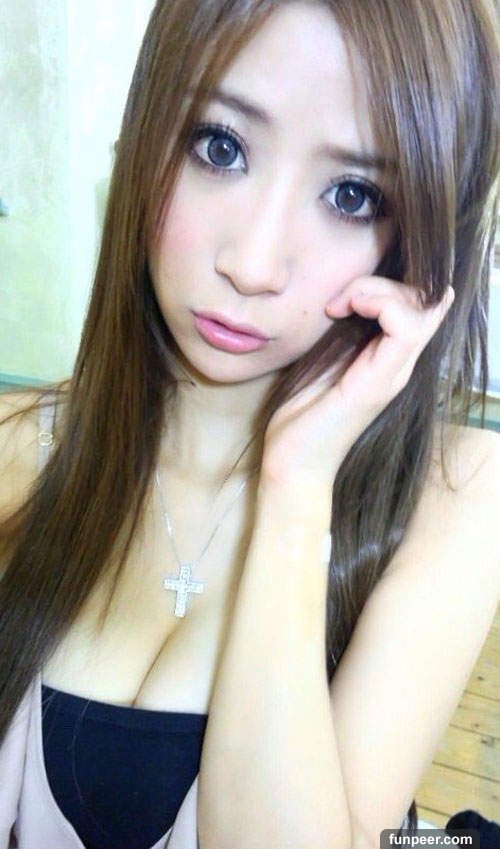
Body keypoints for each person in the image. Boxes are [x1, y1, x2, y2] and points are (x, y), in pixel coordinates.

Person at [0, 1, 499, 847]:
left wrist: (298, 485)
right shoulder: (17, 445)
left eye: (351, 195)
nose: (253, 264)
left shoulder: (456, 495)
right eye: (220, 147)